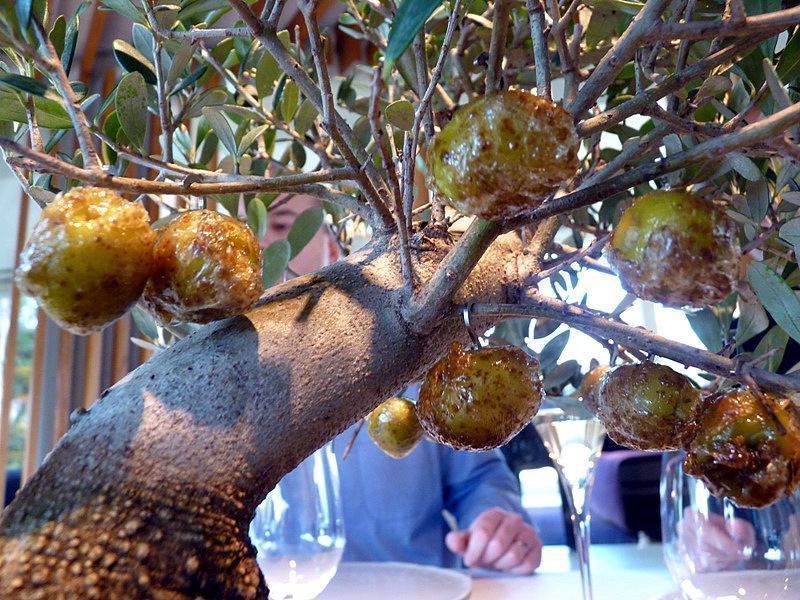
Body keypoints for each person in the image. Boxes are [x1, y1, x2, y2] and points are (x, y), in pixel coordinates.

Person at [263, 193, 543, 574]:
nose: (263, 246)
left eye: (280, 226)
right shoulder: (226, 389)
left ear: (331, 247)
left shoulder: (416, 362)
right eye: (250, 227)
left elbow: (479, 478)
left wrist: (493, 523)